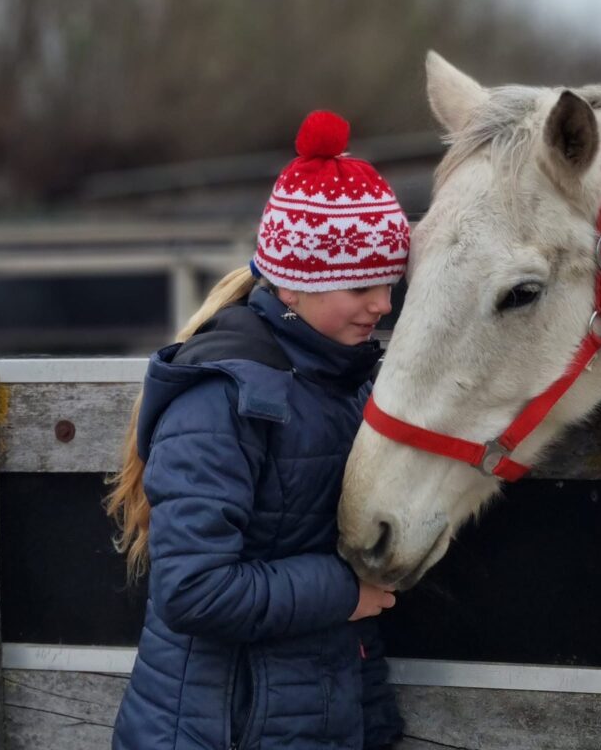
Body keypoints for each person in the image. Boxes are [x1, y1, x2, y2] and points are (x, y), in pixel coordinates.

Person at [107, 110, 410, 750]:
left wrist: (373, 722)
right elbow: (193, 589)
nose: (382, 304)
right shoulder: (224, 398)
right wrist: (345, 591)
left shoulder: (346, 379)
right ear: (293, 288)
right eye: (360, 284)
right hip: (218, 731)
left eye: (389, 282)